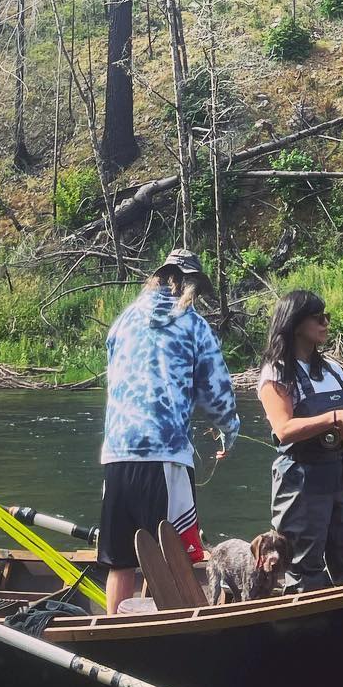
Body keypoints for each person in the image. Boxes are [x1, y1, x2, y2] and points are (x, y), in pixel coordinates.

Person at [98, 248, 238, 614]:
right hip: (164, 455)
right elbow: (217, 393)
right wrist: (229, 430)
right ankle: (167, 627)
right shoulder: (192, 324)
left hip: (116, 454)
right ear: (189, 285)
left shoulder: (123, 322)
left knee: (121, 560)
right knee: (171, 554)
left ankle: (114, 628)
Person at [256, 288, 343, 592]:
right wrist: (336, 417)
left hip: (337, 477)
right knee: (304, 571)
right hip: (299, 482)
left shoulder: (334, 371)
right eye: (318, 317)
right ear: (296, 324)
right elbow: (283, 430)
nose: (325, 323)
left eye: (327, 317)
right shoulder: (277, 373)